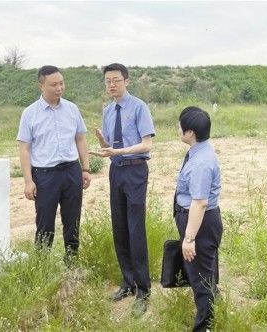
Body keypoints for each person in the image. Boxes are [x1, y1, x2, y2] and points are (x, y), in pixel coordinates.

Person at [92, 63, 155, 316]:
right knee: (119, 227)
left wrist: (117, 151)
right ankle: (127, 282)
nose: (112, 85)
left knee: (135, 229)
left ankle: (143, 289)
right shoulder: (108, 111)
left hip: (136, 170)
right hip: (116, 171)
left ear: (126, 81)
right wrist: (103, 143)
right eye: (108, 81)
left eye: (116, 80)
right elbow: (111, 145)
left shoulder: (139, 107)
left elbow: (146, 145)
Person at [16, 65, 91, 263]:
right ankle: (42, 265)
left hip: (71, 171)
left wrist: (85, 168)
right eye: (53, 85)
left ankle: (72, 262)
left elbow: (81, 139)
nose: (59, 88)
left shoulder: (72, 109)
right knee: (45, 222)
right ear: (41, 85)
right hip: (44, 175)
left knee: (72, 220)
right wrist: (28, 181)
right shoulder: (30, 113)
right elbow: (24, 149)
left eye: (61, 83)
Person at [174, 106, 222, 332]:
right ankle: (214, 309)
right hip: (200, 220)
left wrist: (189, 238)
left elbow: (199, 202)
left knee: (200, 277)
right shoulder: (200, 151)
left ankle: (205, 326)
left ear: (189, 132)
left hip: (199, 222)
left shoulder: (200, 162)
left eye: (179, 125)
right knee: (207, 269)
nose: (177, 128)